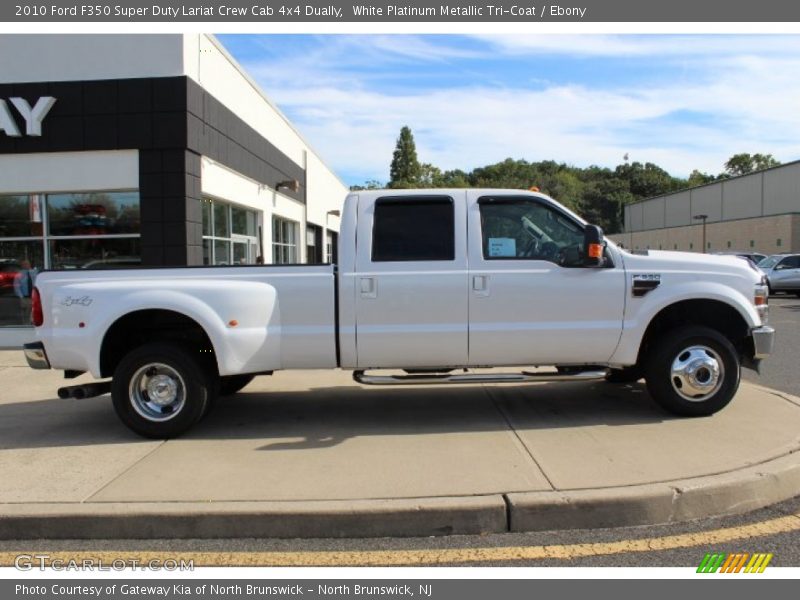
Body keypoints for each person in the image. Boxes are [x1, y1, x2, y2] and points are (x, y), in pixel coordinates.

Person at [13, 259, 37, 324]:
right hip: (25, 296)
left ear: (29, 264)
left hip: (35, 296)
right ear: (22, 266)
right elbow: (17, 286)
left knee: (35, 311)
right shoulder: (19, 274)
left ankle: (33, 323)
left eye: (27, 264)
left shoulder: (35, 272)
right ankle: (26, 325)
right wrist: (21, 297)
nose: (26, 265)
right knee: (26, 311)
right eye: (24, 264)